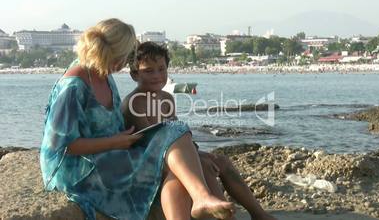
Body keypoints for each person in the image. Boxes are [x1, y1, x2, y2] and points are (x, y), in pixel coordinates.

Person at [40, 18, 235, 220]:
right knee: (173, 136)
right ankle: (202, 197)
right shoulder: (74, 86)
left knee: (177, 149)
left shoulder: (102, 72)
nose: (127, 62)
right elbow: (62, 146)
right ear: (112, 54)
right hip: (78, 169)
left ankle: (202, 199)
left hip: (111, 151)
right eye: (126, 56)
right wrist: (115, 142)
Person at [122, 41, 277, 220]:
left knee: (222, 162)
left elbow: (175, 135)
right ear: (134, 74)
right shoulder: (134, 103)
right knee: (204, 165)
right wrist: (199, 157)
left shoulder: (166, 99)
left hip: (170, 156)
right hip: (147, 161)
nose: (157, 75)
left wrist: (199, 153)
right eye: (149, 71)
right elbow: (152, 145)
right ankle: (224, 215)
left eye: (161, 69)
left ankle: (259, 214)